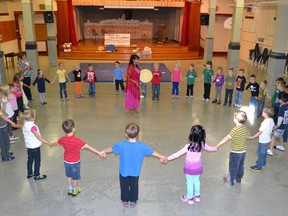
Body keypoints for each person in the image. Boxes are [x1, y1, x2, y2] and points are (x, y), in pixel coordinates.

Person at [102, 122, 166, 208]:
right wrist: (161, 156)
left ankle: (124, 200)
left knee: (124, 186)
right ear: (139, 134)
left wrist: (104, 151)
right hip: (135, 172)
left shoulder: (121, 145)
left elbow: (111, 148)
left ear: (126, 134)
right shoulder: (142, 146)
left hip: (123, 172)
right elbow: (152, 152)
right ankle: (133, 201)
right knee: (134, 186)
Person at [50, 119, 105, 197]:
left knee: (68, 176)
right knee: (74, 177)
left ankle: (69, 189)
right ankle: (75, 190)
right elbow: (88, 147)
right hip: (75, 162)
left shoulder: (63, 139)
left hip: (66, 161)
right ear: (73, 129)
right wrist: (98, 152)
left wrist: (51, 144)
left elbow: (56, 142)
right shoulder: (77, 140)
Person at [166, 125, 217, 205]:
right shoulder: (202, 145)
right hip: (198, 168)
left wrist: (167, 158)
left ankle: (189, 198)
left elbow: (177, 154)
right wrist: (215, 148)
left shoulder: (188, 147)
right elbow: (211, 148)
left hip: (190, 169)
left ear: (192, 136)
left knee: (189, 183)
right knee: (197, 181)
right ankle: (197, 197)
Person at [216, 111, 250, 186]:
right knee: (241, 165)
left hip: (235, 152)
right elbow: (248, 136)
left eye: (234, 117)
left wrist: (218, 145)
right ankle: (238, 178)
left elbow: (227, 137)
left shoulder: (235, 129)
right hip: (243, 152)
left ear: (236, 119)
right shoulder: (245, 128)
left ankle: (230, 181)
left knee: (233, 166)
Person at [22, 109, 49, 180]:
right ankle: (37, 175)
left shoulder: (24, 124)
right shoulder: (33, 127)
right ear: (33, 117)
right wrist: (46, 142)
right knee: (37, 161)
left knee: (30, 159)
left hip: (29, 146)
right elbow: (38, 137)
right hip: (35, 147)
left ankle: (29, 173)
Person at [0, 90, 20, 162]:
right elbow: (2, 115)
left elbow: (2, 113)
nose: (1, 96)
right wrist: (12, 122)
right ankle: (5, 156)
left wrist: (4, 113)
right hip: (1, 127)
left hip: (3, 125)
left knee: (6, 141)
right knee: (4, 142)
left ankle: (6, 153)